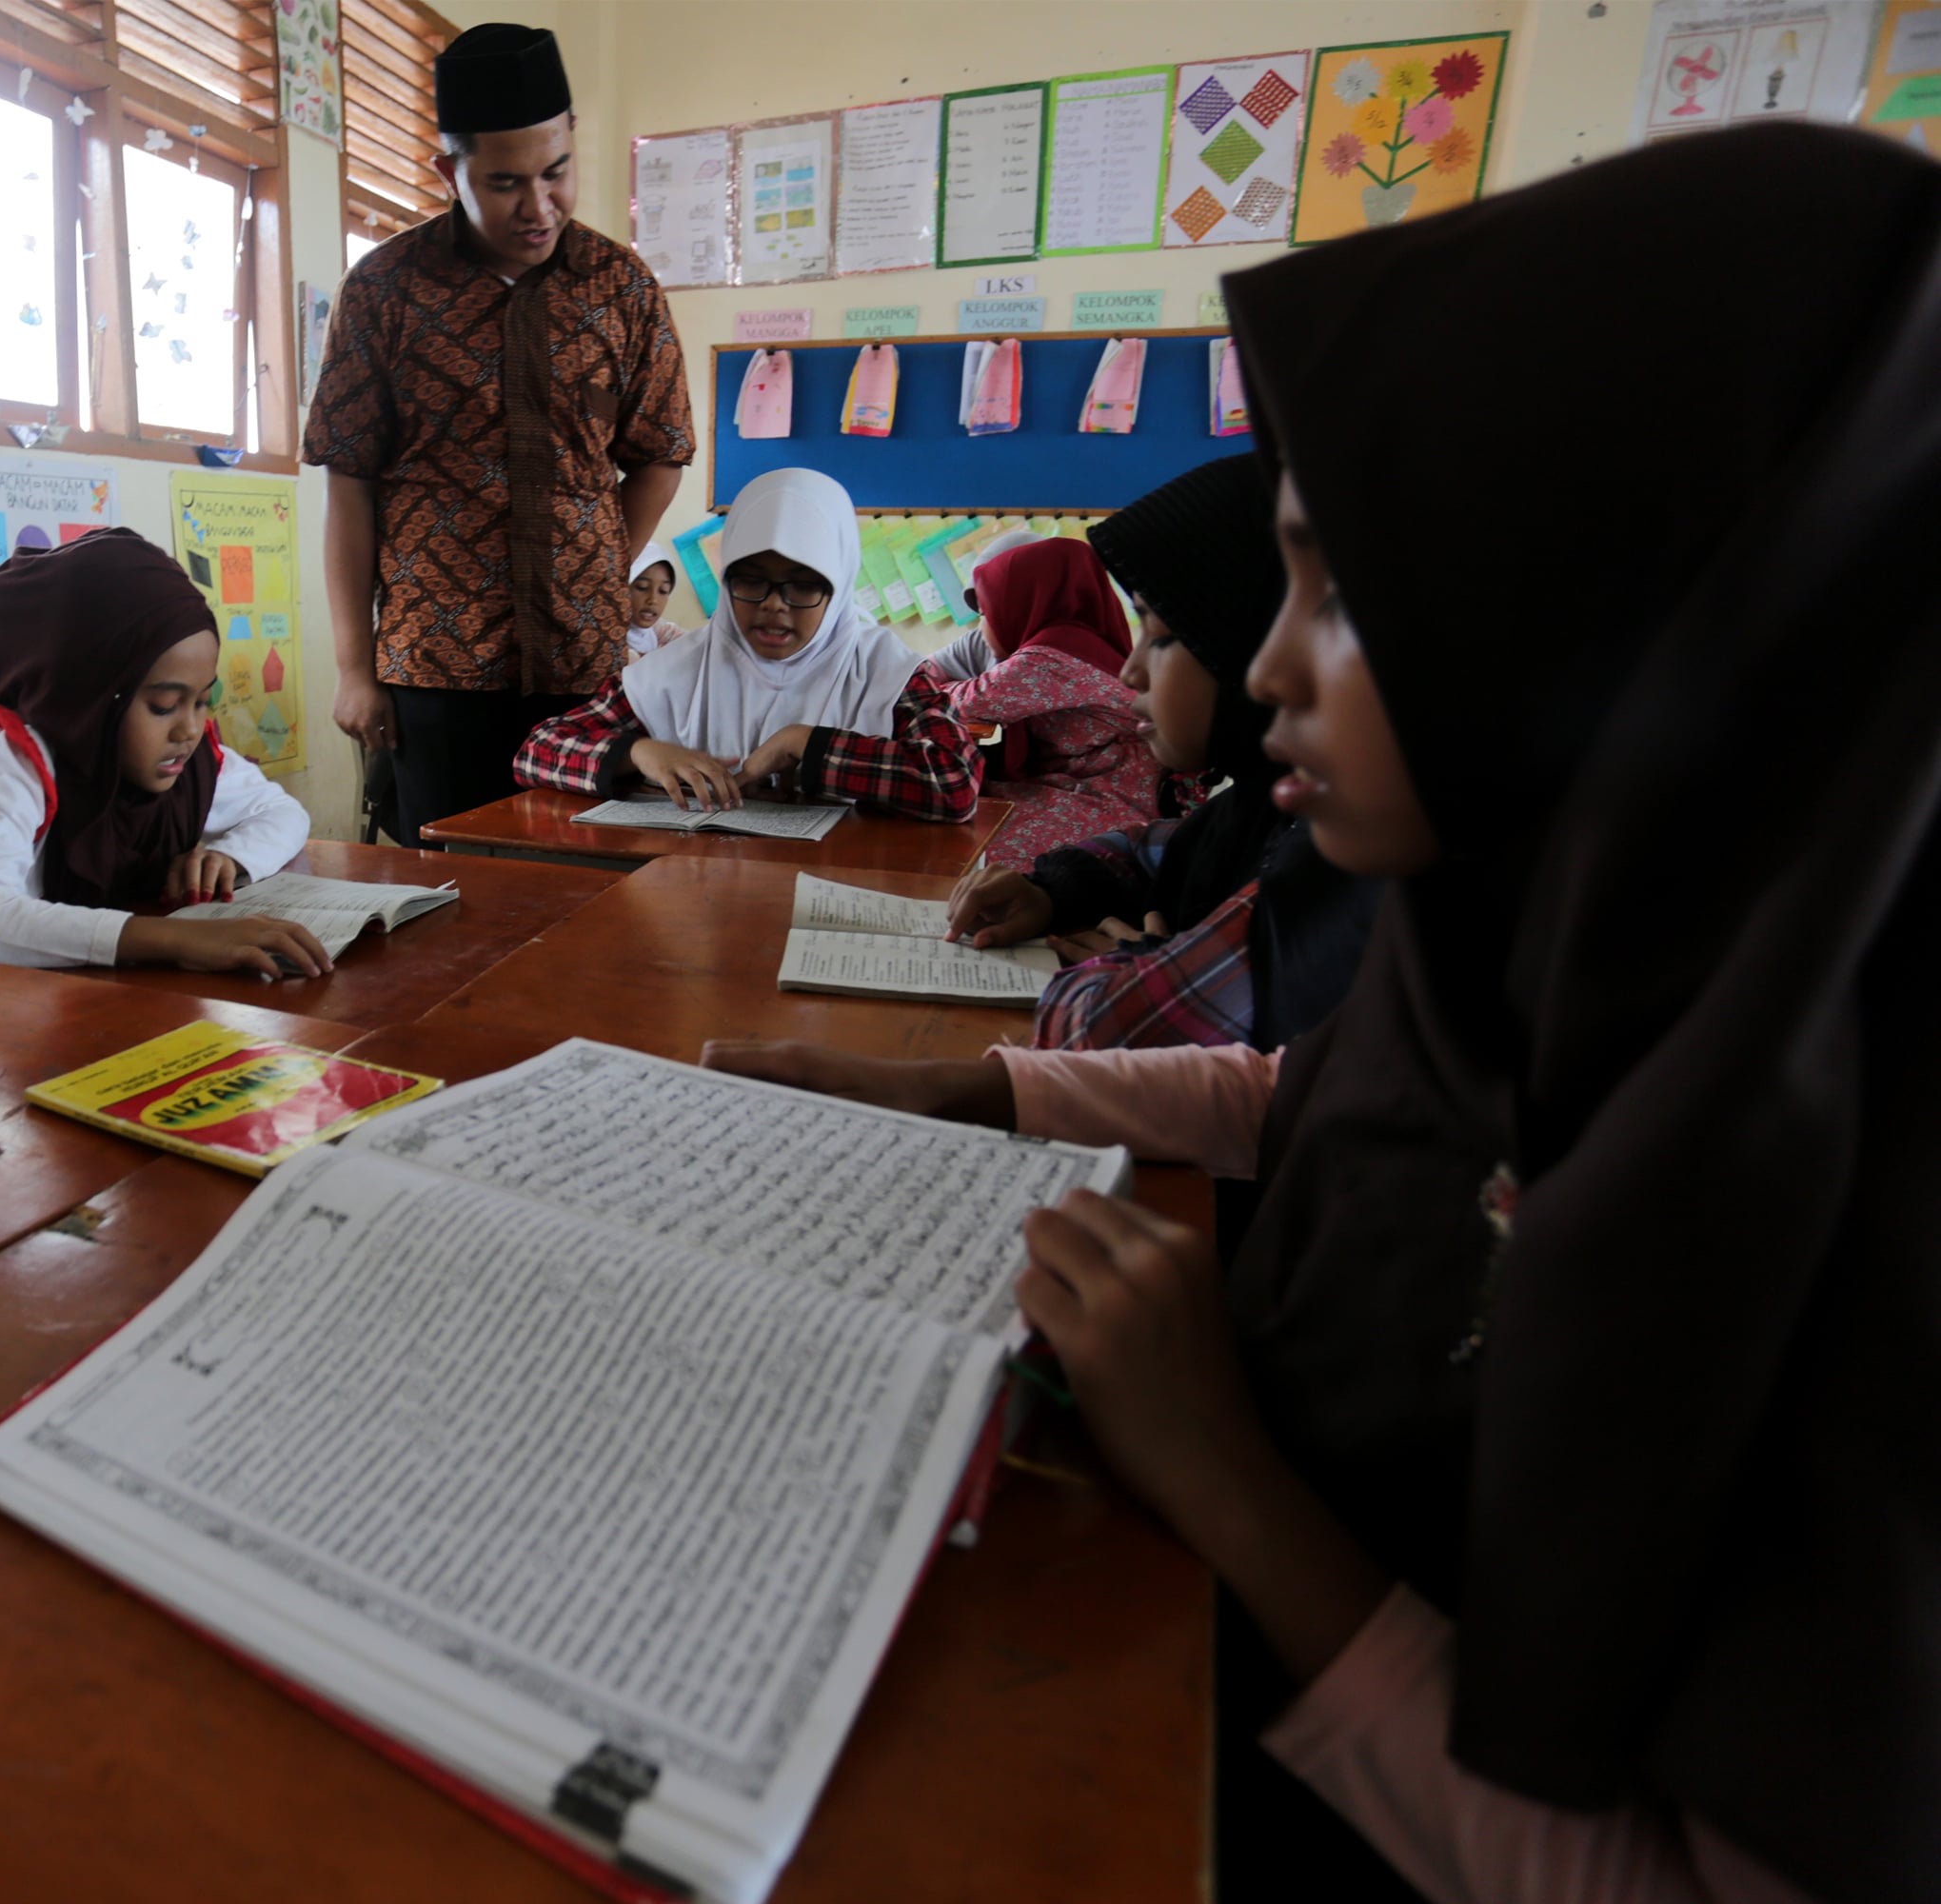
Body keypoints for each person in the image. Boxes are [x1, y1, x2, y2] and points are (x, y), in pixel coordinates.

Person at [708, 125, 1941, 1903]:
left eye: (1343, 593)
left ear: (1622, 605)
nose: (1271, 661)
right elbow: (1309, 1095)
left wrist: (1227, 1483)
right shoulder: (1547, 938)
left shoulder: (1858, 1224)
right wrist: (971, 1095)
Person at [306, 22, 695, 845]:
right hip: (431, 669)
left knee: (583, 886)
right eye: (506, 182)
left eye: (556, 172)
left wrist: (593, 571)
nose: (539, 205)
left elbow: (660, 452)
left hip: (580, 668)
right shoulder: (384, 289)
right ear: (450, 171)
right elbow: (350, 482)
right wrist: (353, 669)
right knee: (440, 895)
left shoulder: (621, 287)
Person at [949, 454, 1378, 1053]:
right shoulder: (1261, 803)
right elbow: (1156, 847)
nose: (1132, 669)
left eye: (1165, 636)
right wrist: (1052, 890)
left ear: (1241, 637)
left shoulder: (1330, 852)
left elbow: (1105, 1027)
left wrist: (1137, 966)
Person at [0, 528, 327, 980]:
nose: (189, 729)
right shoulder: (19, 767)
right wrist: (173, 939)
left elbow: (283, 812)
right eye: (164, 706)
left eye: (201, 701)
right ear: (88, 698)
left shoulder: (194, 767)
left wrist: (230, 856)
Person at [512, 467, 979, 822]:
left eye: (802, 586)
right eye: (750, 582)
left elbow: (955, 784)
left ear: (838, 587)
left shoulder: (887, 673)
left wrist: (805, 745)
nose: (774, 606)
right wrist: (641, 753)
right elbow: (538, 751)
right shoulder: (676, 669)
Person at [915, 536, 1162, 863]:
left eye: (987, 611)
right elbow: (920, 675)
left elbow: (958, 703)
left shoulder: (1051, 657)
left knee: (970, 846)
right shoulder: (1070, 640)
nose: (981, 625)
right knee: (950, 807)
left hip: (1113, 801)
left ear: (1019, 604)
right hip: (1076, 786)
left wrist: (940, 688)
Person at [625, 542, 684, 660]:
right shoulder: (604, 640)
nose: (653, 600)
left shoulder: (660, 632)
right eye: (642, 587)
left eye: (663, 591)